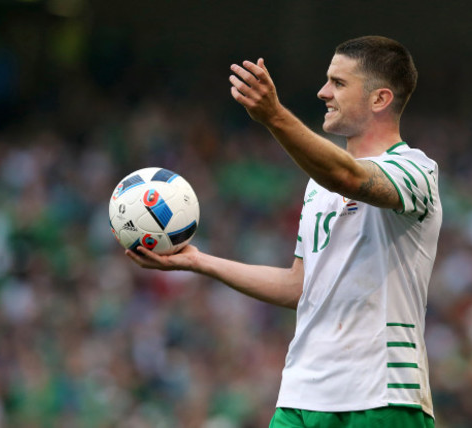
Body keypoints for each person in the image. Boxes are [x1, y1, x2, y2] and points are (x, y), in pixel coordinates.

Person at [127, 35, 441, 428]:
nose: (323, 92)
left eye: (339, 83)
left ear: (380, 99)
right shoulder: (317, 186)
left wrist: (275, 115)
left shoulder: (417, 172)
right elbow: (299, 286)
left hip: (383, 394)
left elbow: (349, 176)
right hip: (302, 393)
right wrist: (198, 261)